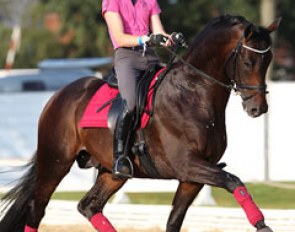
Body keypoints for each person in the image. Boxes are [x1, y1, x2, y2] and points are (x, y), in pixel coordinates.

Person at [102, 0, 182, 179]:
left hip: (150, 57)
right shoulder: (111, 2)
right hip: (127, 58)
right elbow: (120, 37)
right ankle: (120, 157)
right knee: (130, 104)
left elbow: (158, 32)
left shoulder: (150, 1)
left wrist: (171, 38)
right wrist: (144, 39)